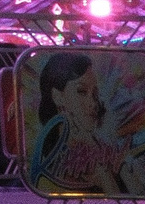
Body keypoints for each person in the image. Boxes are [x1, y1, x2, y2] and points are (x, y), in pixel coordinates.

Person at [28, 53, 130, 196]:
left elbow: (139, 201)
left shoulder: (102, 146)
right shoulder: (48, 165)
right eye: (81, 91)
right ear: (57, 96)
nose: (93, 104)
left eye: (95, 94)